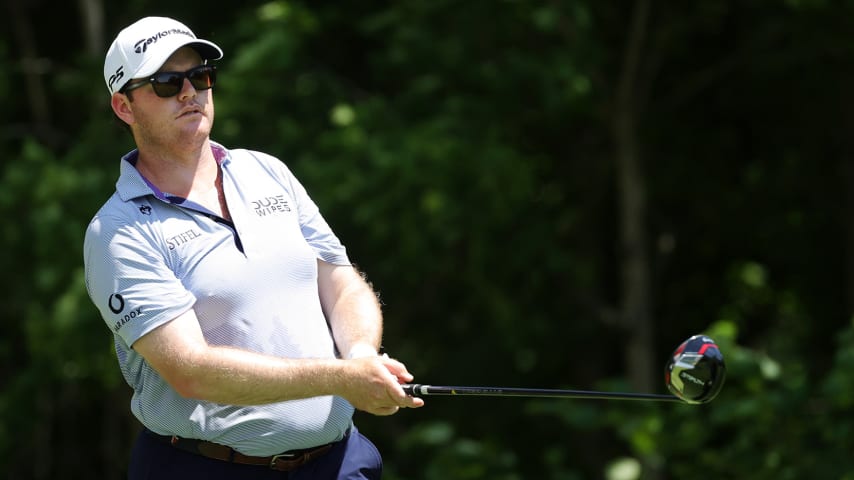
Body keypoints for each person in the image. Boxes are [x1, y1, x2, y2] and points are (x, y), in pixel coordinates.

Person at [84, 16, 424, 480]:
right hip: (204, 468)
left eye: (199, 76)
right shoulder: (116, 231)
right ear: (124, 107)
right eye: (166, 83)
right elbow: (191, 370)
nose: (190, 92)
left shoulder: (266, 171)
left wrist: (361, 353)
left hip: (337, 462)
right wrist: (341, 378)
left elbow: (341, 282)